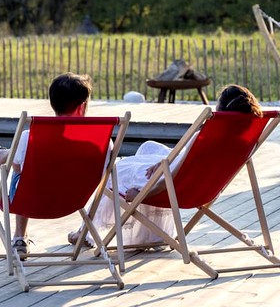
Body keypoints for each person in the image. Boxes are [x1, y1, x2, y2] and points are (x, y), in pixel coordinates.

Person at [68, 84, 263, 247]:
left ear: (221, 111)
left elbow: (167, 182)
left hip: (171, 186)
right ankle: (150, 234)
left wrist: (143, 193)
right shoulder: (242, 141)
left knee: (117, 170)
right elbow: (186, 162)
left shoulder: (202, 138)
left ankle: (85, 232)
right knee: (148, 147)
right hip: (201, 186)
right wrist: (165, 161)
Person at [0, 72, 93, 260]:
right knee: (25, 162)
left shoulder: (31, 136)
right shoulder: (101, 141)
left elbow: (16, 168)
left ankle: (19, 238)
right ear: (82, 107)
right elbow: (105, 172)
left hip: (34, 201)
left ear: (53, 104)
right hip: (75, 201)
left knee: (20, 169)